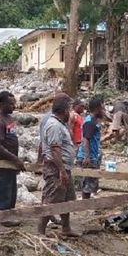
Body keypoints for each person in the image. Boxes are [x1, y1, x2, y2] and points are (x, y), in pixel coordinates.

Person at [38, 96, 80, 237]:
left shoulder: (60, 124)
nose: (71, 112)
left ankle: (66, 228)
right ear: (64, 110)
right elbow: (55, 149)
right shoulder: (54, 125)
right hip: (56, 169)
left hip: (63, 168)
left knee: (66, 199)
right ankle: (40, 232)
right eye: (69, 109)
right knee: (51, 200)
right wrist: (61, 170)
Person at [0, 91, 24, 226]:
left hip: (9, 163)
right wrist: (15, 159)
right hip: (0, 163)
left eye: (14, 103)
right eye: (11, 104)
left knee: (9, 190)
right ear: (1, 104)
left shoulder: (7, 117)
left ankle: (6, 217)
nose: (14, 106)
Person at [76, 98, 105, 199]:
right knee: (87, 185)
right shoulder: (89, 123)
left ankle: (86, 204)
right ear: (97, 109)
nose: (103, 109)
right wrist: (86, 157)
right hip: (88, 158)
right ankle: (85, 205)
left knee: (90, 183)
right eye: (102, 107)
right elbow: (85, 140)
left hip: (92, 156)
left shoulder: (93, 121)